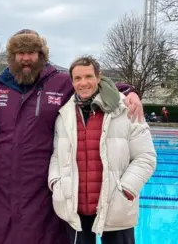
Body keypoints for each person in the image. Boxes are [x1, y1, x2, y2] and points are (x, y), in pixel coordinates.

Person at [0, 29, 145, 244]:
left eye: (32, 52)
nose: (26, 58)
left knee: (43, 235)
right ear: (12, 56)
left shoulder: (60, 82)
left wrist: (129, 91)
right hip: (0, 180)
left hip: (41, 180)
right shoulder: (0, 85)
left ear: (41, 55)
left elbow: (91, 85)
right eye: (20, 53)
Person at [48, 56, 157, 244]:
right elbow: (57, 155)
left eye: (88, 76)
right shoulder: (63, 114)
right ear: (72, 82)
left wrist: (127, 189)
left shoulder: (126, 109)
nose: (83, 83)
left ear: (99, 78)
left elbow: (145, 157)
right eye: (77, 78)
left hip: (116, 205)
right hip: (75, 207)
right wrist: (57, 184)